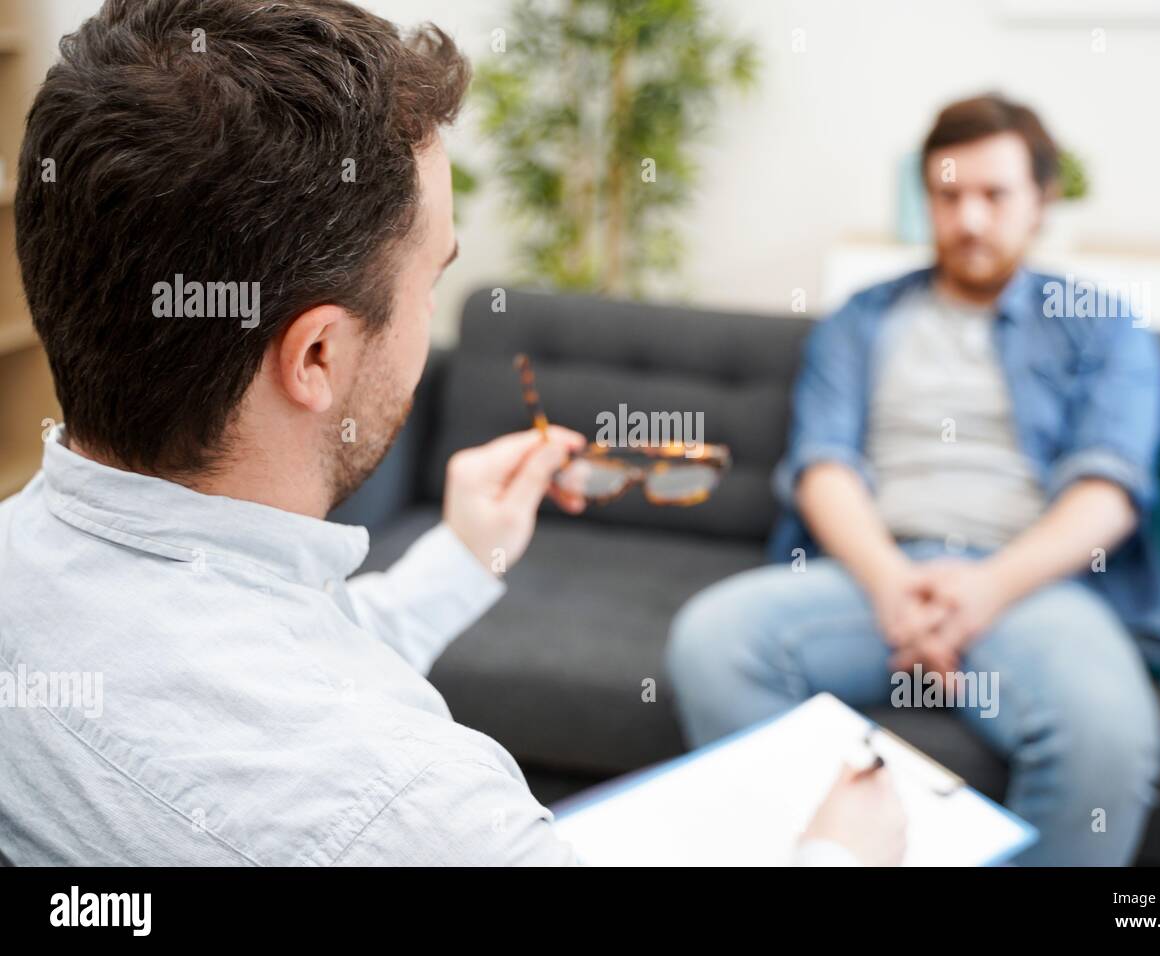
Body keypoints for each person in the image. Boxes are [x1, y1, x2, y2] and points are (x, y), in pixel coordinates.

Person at [0, 0, 902, 866]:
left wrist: (462, 558)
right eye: (432, 280)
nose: (434, 320)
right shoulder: (424, 811)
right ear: (316, 355)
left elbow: (251, 681)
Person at [667, 94, 1160, 866]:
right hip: (875, 575)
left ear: (1042, 200)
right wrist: (895, 589)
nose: (969, 218)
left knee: (1107, 738)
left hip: (1032, 587)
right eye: (948, 195)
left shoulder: (1102, 324)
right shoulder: (859, 321)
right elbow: (823, 468)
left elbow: (1109, 491)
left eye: (994, 195)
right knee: (713, 642)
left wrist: (984, 591)